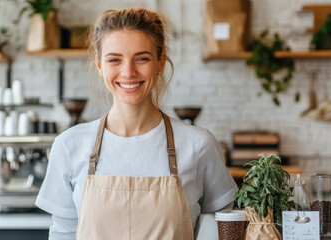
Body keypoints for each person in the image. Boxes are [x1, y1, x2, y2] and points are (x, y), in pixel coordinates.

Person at [35, 8, 238, 240]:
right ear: (100, 66)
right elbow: (63, 233)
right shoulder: (70, 145)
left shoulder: (198, 144)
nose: (128, 72)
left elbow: (224, 228)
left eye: (142, 58)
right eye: (114, 60)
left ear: (160, 63)